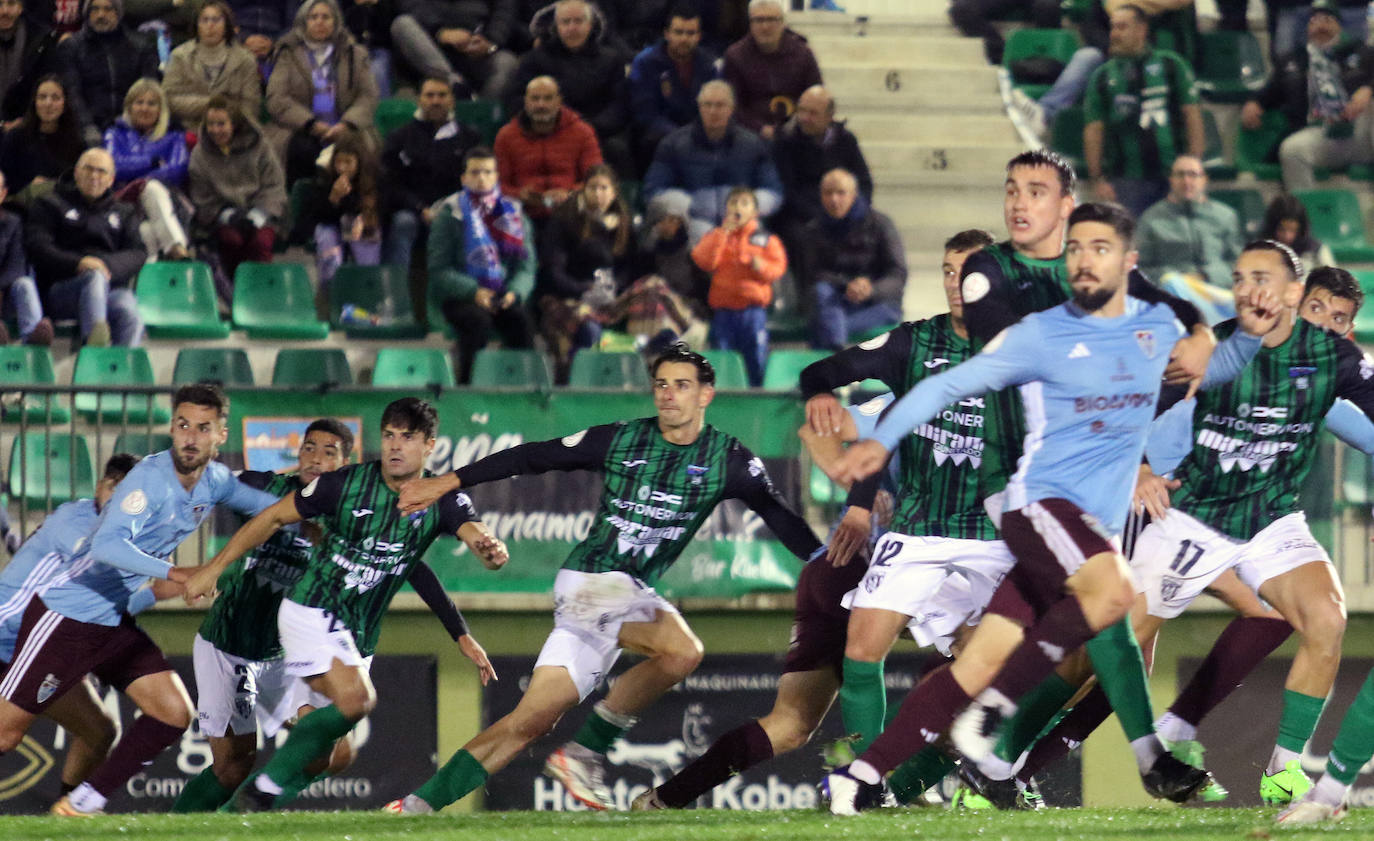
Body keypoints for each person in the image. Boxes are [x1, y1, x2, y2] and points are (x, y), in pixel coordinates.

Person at [821, 202, 1278, 815]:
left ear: (1128, 263)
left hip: (1090, 519)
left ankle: (869, 778)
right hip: (1038, 508)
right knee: (1112, 599)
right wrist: (878, 441)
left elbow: (1196, 381)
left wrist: (1234, 334)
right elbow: (945, 386)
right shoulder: (1041, 332)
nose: (1086, 260)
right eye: (1078, 249)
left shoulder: (1152, 333)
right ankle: (1120, 752)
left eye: (1100, 248)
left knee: (984, 661)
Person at [630, 229, 997, 813]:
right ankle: (885, 787)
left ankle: (663, 801)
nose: (956, 282)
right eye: (947, 270)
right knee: (971, 685)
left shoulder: (1015, 362)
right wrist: (860, 492)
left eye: (968, 270)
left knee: (793, 722)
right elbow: (822, 427)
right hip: (875, 562)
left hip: (924, 561)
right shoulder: (912, 359)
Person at [382, 345, 823, 814]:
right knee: (682, 651)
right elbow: (535, 457)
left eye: (682, 385)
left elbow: (779, 515)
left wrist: (824, 562)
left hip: (621, 594)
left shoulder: (727, 461)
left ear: (706, 395)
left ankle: (414, 808)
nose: (669, 395)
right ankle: (583, 753)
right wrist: (447, 481)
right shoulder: (621, 440)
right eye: (661, 384)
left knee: (529, 720)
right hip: (592, 579)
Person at [999, 265, 1372, 802]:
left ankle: (1260, 760)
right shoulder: (1225, 352)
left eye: (1339, 320)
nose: (1326, 326)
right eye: (1317, 310)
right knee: (1104, 654)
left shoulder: (1318, 374)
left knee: (1302, 616)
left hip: (1252, 521)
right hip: (1160, 503)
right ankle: (1003, 762)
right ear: (1292, 303)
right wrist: (1143, 467)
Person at [181, 397, 508, 812]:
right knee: (347, 706)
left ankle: (240, 812)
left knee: (334, 754)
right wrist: (212, 567)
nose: (394, 445)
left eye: (406, 437)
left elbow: (448, 548)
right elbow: (261, 513)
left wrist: (484, 552)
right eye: (389, 435)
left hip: (337, 636)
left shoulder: (438, 497)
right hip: (286, 621)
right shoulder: (335, 487)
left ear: (429, 446)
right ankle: (259, 792)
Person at [0, 383, 281, 816]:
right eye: (182, 425)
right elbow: (106, 548)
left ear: (221, 435)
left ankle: (78, 806)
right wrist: (181, 572)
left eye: (202, 428)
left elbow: (272, 508)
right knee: (6, 735)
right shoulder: (148, 481)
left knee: (171, 713)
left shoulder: (216, 481)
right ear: (171, 427)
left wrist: (315, 513)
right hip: (67, 616)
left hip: (111, 619)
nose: (189, 437)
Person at [171, 420, 354, 812]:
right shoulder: (266, 489)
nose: (316, 458)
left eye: (328, 451)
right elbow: (207, 480)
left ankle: (248, 814)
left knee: (334, 754)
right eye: (309, 448)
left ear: (347, 462)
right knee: (232, 768)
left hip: (286, 653)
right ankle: (177, 828)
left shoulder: (350, 518)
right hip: (229, 643)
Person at [0, 453, 139, 805]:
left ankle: (67, 816)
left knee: (99, 732)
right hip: (7, 637)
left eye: (128, 493)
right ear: (99, 487)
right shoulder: (75, 520)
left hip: (42, 648)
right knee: (5, 737)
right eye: (112, 487)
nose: (117, 499)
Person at [427, 145, 536, 384]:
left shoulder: (513, 213)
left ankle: (523, 386)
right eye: (475, 173)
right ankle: (468, 388)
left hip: (501, 294)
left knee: (521, 320)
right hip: (460, 296)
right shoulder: (450, 214)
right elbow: (438, 269)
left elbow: (526, 267)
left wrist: (514, 293)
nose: (481, 178)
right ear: (464, 178)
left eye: (487, 172)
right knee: (477, 322)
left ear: (496, 177)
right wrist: (473, 292)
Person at [1083, 4, 1205, 217]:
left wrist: (1193, 169)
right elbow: (1094, 130)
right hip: (1126, 179)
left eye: (1122, 27)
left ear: (1141, 30)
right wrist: (1097, 179)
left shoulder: (1172, 65)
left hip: (1173, 175)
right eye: (1113, 28)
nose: (1114, 34)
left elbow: (1192, 116)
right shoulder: (1102, 76)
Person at [1241, 1, 1374, 191]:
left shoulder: (1364, 53)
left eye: (1327, 20)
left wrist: (1369, 89)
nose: (1321, 25)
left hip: (1361, 133)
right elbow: (1268, 92)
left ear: (1339, 25)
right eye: (1314, 21)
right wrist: (1254, 102)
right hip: (1322, 133)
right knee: (1292, 150)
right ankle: (1304, 213)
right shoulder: (1293, 62)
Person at [25, 147, 146, 347]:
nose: (94, 176)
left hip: (109, 289)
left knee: (129, 311)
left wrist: (103, 265)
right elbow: (38, 246)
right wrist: (79, 263)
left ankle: (122, 373)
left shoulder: (125, 212)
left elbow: (138, 253)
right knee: (93, 277)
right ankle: (93, 349)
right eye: (88, 169)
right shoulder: (49, 204)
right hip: (61, 290)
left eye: (101, 171)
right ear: (76, 172)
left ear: (111, 179)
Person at [644, 79, 782, 245]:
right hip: (693, 221)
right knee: (704, 242)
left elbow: (773, 190)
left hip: (743, 221)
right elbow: (654, 189)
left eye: (720, 105)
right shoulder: (673, 144)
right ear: (699, 107)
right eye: (707, 105)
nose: (712, 111)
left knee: (756, 246)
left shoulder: (753, 144)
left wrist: (747, 208)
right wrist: (687, 206)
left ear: (731, 109)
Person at [536, 164, 642, 381]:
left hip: (612, 298)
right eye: (593, 188)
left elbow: (629, 267)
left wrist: (615, 288)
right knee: (589, 330)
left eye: (604, 188)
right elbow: (553, 271)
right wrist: (583, 289)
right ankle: (573, 379)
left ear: (614, 191)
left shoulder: (623, 222)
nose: (598, 194)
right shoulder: (565, 219)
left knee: (653, 290)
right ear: (584, 190)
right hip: (569, 297)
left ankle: (650, 374)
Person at [504, 0, 630, 173]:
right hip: (546, 130)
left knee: (617, 150)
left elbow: (619, 105)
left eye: (578, 21)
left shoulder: (611, 60)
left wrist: (590, 128)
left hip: (597, 132)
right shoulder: (534, 60)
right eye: (566, 22)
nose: (572, 27)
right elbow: (516, 100)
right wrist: (550, 123)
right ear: (556, 26)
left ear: (590, 25)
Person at [264, 0, 380, 185]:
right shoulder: (287, 53)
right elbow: (277, 98)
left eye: (326, 17)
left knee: (356, 149)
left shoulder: (355, 54)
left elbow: (367, 96)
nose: (320, 22)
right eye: (313, 17)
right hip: (299, 127)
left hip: (345, 126)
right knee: (303, 149)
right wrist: (312, 124)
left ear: (336, 21)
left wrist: (347, 124)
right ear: (304, 22)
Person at [187, 96, 287, 294]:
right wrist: (227, 215)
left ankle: (261, 295)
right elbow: (201, 197)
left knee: (260, 242)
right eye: (211, 124)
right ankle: (236, 295)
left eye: (221, 124)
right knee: (231, 240)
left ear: (235, 124)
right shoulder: (200, 154)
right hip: (222, 216)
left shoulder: (260, 146)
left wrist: (258, 215)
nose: (215, 130)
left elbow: (274, 186)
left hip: (260, 214)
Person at [380, 75, 481, 270]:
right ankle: (395, 287)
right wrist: (419, 208)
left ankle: (467, 291)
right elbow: (391, 183)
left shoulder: (470, 137)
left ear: (452, 99)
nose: (436, 101)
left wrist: (448, 209)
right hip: (413, 210)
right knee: (403, 223)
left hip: (455, 209)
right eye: (430, 95)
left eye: (442, 95)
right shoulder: (400, 137)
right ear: (419, 99)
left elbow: (476, 181)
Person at [693, 185, 786, 388]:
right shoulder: (716, 236)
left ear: (754, 212)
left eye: (744, 203)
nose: (737, 207)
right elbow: (704, 261)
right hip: (724, 312)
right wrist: (721, 234)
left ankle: (757, 394)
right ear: (725, 209)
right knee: (722, 359)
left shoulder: (765, 239)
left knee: (755, 356)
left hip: (752, 311)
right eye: (733, 202)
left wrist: (761, 267)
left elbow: (778, 268)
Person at [771, 85, 872, 269]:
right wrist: (822, 215)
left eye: (813, 113)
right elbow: (787, 190)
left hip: (843, 209)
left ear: (829, 116)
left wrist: (854, 209)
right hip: (803, 215)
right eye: (801, 111)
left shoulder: (846, 140)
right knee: (800, 238)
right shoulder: (786, 140)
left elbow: (864, 182)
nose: (804, 118)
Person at [804, 168, 905, 352]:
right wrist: (848, 285)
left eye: (841, 192)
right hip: (837, 300)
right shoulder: (814, 229)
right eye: (828, 193)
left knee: (824, 326)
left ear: (854, 195)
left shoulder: (881, 224)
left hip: (878, 304)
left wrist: (870, 289)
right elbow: (812, 273)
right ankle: (840, 366)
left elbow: (897, 274)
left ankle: (832, 363)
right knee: (822, 294)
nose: (834, 199)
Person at [1135, 154, 1243, 324]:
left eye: (1193, 175)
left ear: (1204, 179)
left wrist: (1205, 275)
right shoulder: (1151, 219)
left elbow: (1239, 266)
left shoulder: (1226, 216)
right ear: (1171, 180)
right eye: (1180, 175)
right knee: (1172, 283)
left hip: (1217, 292)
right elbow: (1141, 269)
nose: (1187, 181)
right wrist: (1180, 279)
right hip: (1174, 294)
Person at [103, 78, 194, 262]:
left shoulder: (174, 136)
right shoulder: (114, 133)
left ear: (161, 109)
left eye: (151, 103)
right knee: (145, 222)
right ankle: (177, 248)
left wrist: (142, 181)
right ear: (129, 107)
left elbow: (177, 171)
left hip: (166, 197)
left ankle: (168, 260)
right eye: (139, 102)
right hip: (124, 199)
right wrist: (150, 162)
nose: (145, 108)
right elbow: (112, 166)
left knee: (149, 217)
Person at [492, 75, 602, 224]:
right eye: (535, 99)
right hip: (522, 216)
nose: (541, 105)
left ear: (559, 101)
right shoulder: (506, 136)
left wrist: (570, 194)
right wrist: (520, 195)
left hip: (572, 213)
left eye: (548, 98)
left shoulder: (583, 132)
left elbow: (596, 178)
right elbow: (497, 184)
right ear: (526, 101)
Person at [627, 4, 719, 170]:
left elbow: (714, 105)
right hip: (660, 131)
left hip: (698, 129)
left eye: (690, 33)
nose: (684, 38)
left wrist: (698, 131)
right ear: (667, 33)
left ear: (699, 36)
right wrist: (681, 136)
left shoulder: (708, 64)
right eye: (678, 32)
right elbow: (645, 113)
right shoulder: (646, 62)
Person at [56, 0, 160, 147]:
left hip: (132, 126)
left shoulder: (141, 47)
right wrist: (87, 126)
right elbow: (72, 93)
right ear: (87, 13)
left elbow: (149, 89)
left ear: (118, 13)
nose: (101, 15)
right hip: (86, 128)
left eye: (108, 9)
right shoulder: (71, 47)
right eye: (95, 9)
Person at [721, 0, 820, 140]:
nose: (765, 26)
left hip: (798, 133)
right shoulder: (735, 56)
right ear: (750, 24)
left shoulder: (803, 54)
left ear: (782, 23)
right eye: (759, 20)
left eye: (771, 20)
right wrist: (760, 129)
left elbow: (815, 95)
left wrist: (797, 124)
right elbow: (732, 106)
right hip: (750, 136)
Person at [298, 129, 382, 295]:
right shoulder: (324, 178)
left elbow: (380, 209)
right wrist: (333, 198)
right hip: (330, 226)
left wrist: (362, 216)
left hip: (361, 224)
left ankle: (367, 291)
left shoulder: (374, 179)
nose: (342, 168)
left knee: (366, 241)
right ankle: (331, 293)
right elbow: (313, 217)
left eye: (348, 162)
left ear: (359, 162)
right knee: (327, 239)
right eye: (338, 162)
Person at [387, 0, 518, 100]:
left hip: (478, 48)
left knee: (506, 62)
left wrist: (490, 42)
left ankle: (479, 113)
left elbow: (504, 11)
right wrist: (440, 31)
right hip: (430, 47)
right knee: (402, 24)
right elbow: (412, 5)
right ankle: (455, 85)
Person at [163, 0, 263, 129]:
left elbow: (251, 106)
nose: (210, 25)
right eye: (204, 20)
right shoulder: (180, 56)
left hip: (234, 131)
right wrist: (211, 104)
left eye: (216, 20)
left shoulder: (245, 60)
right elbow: (169, 99)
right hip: (189, 131)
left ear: (227, 25)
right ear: (196, 25)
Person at [0, 74, 84, 204]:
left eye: (55, 98)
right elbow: (5, 177)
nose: (48, 103)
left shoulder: (77, 140)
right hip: (21, 205)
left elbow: (77, 181)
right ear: (35, 102)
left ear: (65, 103)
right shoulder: (16, 137)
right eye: (42, 97)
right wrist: (29, 184)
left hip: (62, 206)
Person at [0, 169, 51, 344]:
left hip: (4, 295)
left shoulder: (13, 222)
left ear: (3, 194)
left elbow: (17, 264)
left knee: (25, 283)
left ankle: (32, 342)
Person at [0, 0, 60, 125]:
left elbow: (45, 88)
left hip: (27, 126)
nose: (4, 11)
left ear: (20, 7)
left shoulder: (41, 42)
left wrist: (25, 122)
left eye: (11, 4)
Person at [1262, 194, 1336, 272]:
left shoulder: (1317, 250)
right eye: (1281, 230)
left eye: (1293, 230)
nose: (1287, 236)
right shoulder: (1260, 251)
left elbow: (1333, 279)